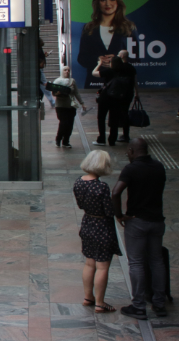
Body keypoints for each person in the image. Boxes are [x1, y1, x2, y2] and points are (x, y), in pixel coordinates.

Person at [112, 138, 168, 320]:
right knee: (156, 261)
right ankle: (159, 303)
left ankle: (138, 306)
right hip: (157, 221)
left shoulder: (131, 169)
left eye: (128, 152)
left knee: (136, 262)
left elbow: (116, 192)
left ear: (131, 150)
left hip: (137, 221)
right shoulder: (159, 166)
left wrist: (119, 214)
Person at [73, 150, 121, 313]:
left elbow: (80, 204)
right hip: (102, 227)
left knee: (89, 262)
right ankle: (100, 302)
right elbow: (108, 211)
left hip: (87, 223)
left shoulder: (78, 182)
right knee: (102, 266)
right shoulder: (101, 187)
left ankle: (88, 297)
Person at [77, 0, 138, 90]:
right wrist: (98, 59)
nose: (107, 4)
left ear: (118, 3)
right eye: (103, 0)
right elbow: (81, 58)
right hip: (95, 82)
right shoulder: (89, 28)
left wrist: (117, 60)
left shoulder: (128, 27)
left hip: (120, 81)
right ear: (98, 3)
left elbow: (136, 56)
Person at [92, 55, 133, 146]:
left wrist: (99, 64)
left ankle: (101, 139)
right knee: (114, 119)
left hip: (105, 97)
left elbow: (94, 73)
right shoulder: (125, 71)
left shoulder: (109, 71)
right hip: (118, 98)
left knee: (101, 118)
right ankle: (112, 140)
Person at [52, 66, 87, 148]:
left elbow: (76, 93)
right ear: (62, 71)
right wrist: (58, 93)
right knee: (63, 123)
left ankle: (66, 141)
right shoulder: (57, 81)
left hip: (71, 106)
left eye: (68, 70)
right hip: (61, 106)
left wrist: (82, 103)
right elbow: (54, 93)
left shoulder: (72, 81)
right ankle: (58, 138)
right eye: (65, 70)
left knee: (70, 124)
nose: (67, 71)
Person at [38, 39, 55, 110]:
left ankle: (51, 101)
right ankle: (52, 101)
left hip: (39, 68)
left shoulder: (38, 48)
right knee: (44, 84)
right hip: (38, 69)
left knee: (42, 85)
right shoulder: (38, 49)